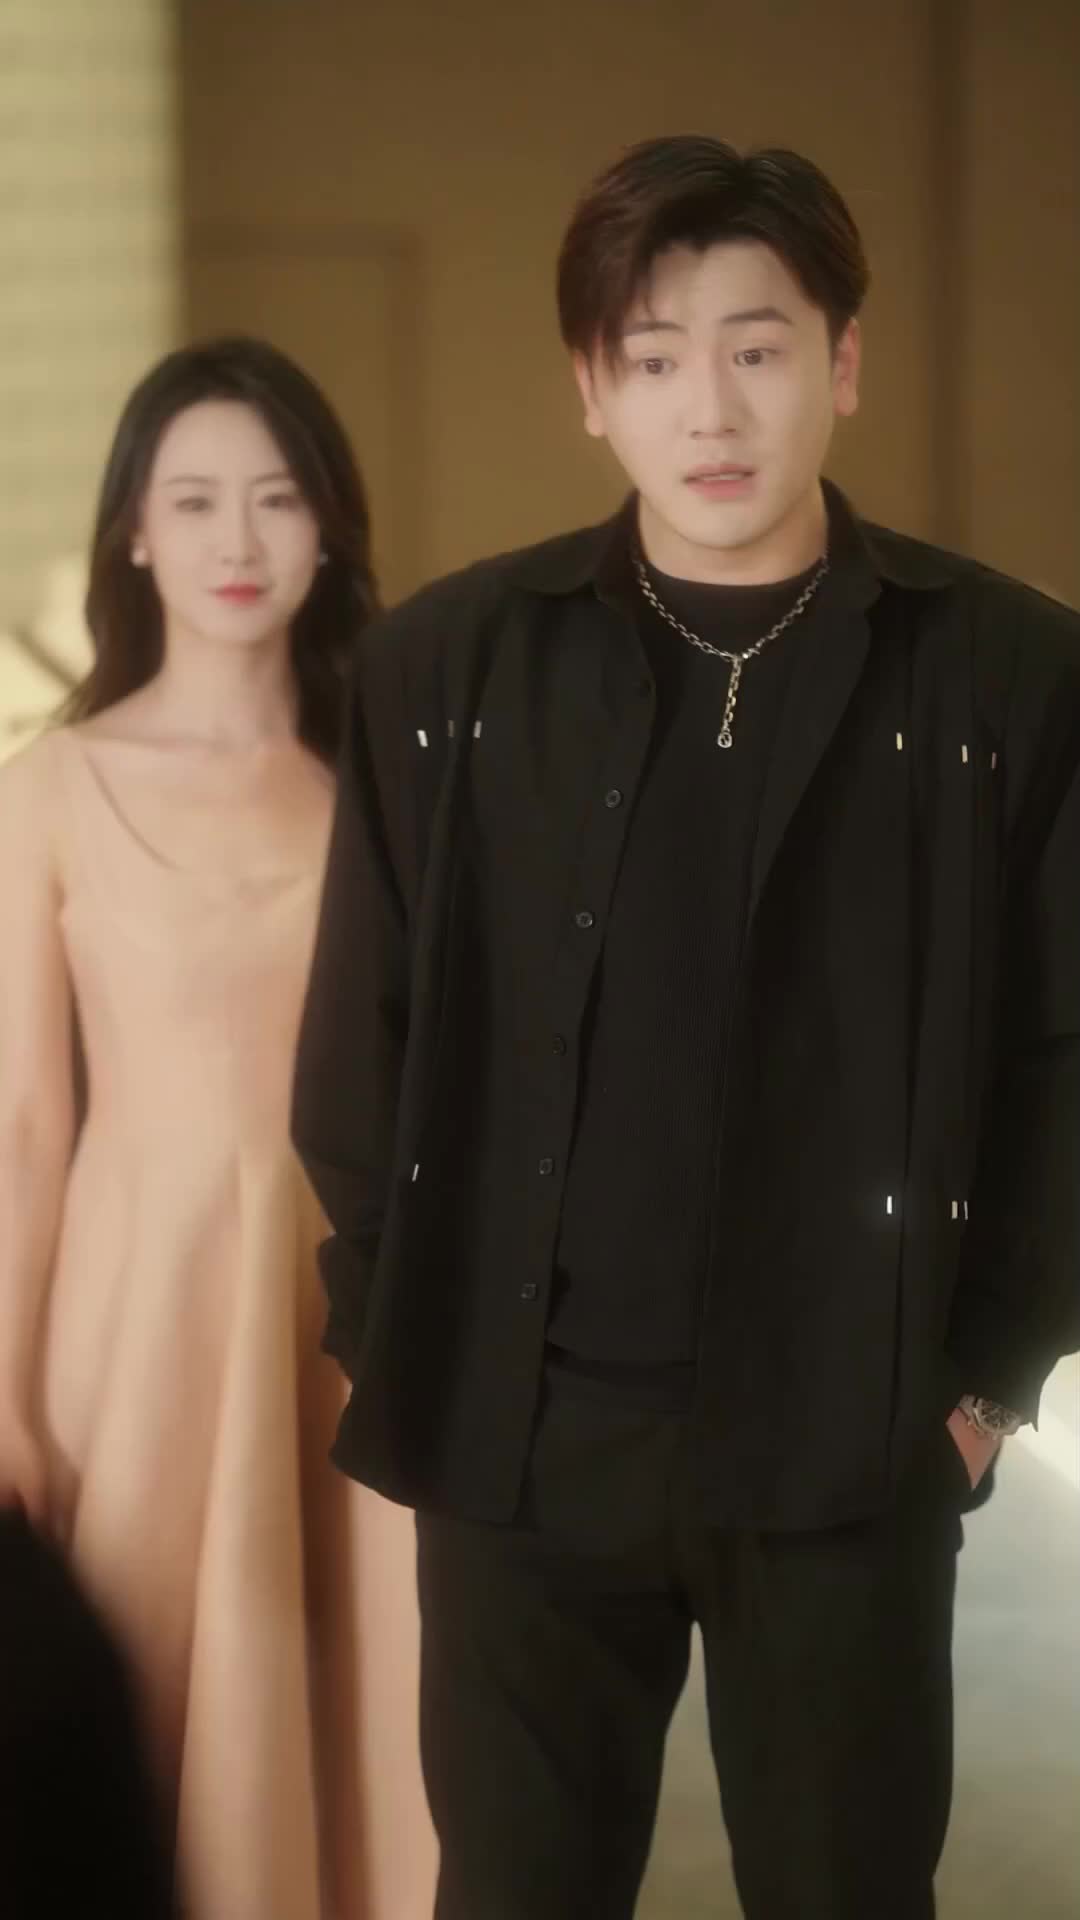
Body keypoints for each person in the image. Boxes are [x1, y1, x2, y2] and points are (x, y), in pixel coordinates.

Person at [292, 138, 1080, 1920]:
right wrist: (385, 1319)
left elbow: (1064, 1059)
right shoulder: (445, 671)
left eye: (758, 347)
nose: (709, 408)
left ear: (843, 362)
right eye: (652, 357)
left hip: (851, 1435)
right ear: (592, 388)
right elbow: (360, 1048)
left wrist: (985, 1383)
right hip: (528, 1437)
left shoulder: (1009, 677)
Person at [0, 338, 437, 1920]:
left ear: (329, 527)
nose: (236, 541)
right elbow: (22, 1122)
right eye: (193, 502)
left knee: (351, 1721)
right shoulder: (53, 788)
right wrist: (2, 1394)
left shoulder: (395, 790)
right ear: (135, 532)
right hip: (134, 1325)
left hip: (349, 1322)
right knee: (133, 1713)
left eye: (276, 499)